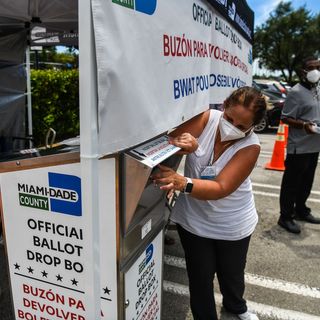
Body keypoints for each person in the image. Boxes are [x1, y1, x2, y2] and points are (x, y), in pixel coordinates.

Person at [152, 86, 267, 320]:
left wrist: (183, 182)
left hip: (232, 223)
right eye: (229, 118)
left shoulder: (251, 147)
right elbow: (169, 143)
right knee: (200, 277)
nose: (232, 127)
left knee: (232, 273)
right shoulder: (206, 118)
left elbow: (221, 188)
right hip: (194, 221)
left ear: (253, 126)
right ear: (223, 105)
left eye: (242, 126)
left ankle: (236, 307)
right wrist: (183, 146)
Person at [277, 56, 320, 234]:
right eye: (312, 67)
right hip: (299, 146)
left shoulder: (317, 88)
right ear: (303, 71)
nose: (316, 71)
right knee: (292, 183)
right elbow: (285, 117)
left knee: (307, 181)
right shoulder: (295, 92)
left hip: (315, 145)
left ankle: (301, 210)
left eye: (318, 67)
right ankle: (285, 216)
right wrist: (303, 125)